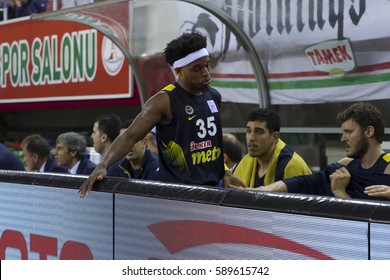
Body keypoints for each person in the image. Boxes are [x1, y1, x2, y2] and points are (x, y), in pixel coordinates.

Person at [79, 32, 245, 197]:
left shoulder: (213, 95)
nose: (205, 72)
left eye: (207, 65)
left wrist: (225, 171)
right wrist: (104, 164)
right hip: (178, 193)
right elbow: (130, 136)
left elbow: (213, 142)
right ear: (179, 70)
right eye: (197, 68)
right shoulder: (163, 101)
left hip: (214, 189)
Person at [257, 102, 390, 200]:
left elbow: (367, 222)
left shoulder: (387, 168)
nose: (343, 138)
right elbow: (305, 182)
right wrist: (260, 190)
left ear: (369, 131)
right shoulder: (345, 166)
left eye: (349, 132)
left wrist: (340, 193)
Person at [232, 108, 312, 188]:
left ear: (275, 137)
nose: (251, 138)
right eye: (249, 131)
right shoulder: (245, 162)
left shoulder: (291, 166)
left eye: (259, 132)